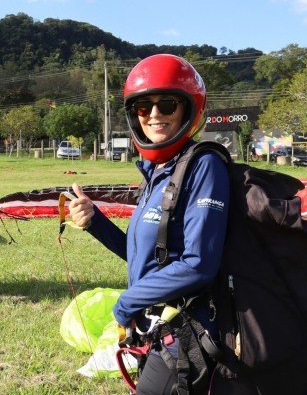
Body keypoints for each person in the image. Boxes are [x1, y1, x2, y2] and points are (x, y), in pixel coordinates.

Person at [68, 54, 230, 393]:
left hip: (186, 333)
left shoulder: (204, 167)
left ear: (188, 110)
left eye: (167, 105)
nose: (154, 115)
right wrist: (95, 220)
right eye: (144, 108)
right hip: (156, 327)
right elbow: (146, 255)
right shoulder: (156, 173)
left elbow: (199, 264)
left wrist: (127, 302)